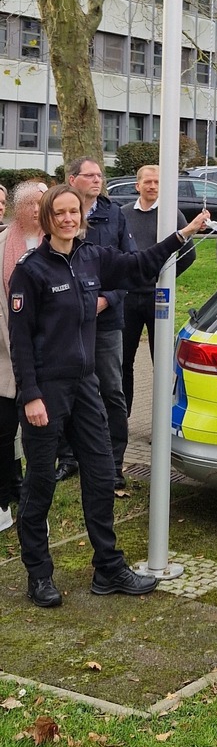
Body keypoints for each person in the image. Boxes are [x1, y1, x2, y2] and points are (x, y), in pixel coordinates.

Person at [8, 183, 212, 607]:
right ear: (46, 220)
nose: (67, 218)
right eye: (59, 213)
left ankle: (108, 568)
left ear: (81, 216)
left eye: (73, 212)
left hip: (86, 387)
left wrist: (183, 233)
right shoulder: (32, 270)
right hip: (46, 391)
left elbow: (139, 266)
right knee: (40, 483)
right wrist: (30, 395)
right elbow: (21, 339)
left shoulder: (92, 258)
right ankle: (39, 574)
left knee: (101, 477)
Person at [54, 158, 137, 489]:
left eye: (100, 175)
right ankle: (68, 458)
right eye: (90, 175)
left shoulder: (113, 213)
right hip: (67, 321)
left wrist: (108, 298)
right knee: (65, 388)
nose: (98, 180)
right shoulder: (59, 212)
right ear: (73, 179)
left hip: (106, 319)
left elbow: (128, 266)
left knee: (111, 390)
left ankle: (113, 463)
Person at [121, 165, 195, 415]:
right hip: (128, 300)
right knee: (123, 361)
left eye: (157, 182)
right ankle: (122, 418)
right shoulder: (124, 214)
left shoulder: (171, 215)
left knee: (161, 363)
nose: (152, 186)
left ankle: (161, 422)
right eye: (148, 182)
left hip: (157, 299)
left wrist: (162, 280)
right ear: (137, 185)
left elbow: (189, 255)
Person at [0, 181, 47, 532]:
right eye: (29, 204)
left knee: (40, 440)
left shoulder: (58, 245)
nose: (36, 210)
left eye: (41, 203)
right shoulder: (3, 245)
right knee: (3, 434)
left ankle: (31, 504)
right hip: (4, 357)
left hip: (46, 360)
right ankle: (4, 498)